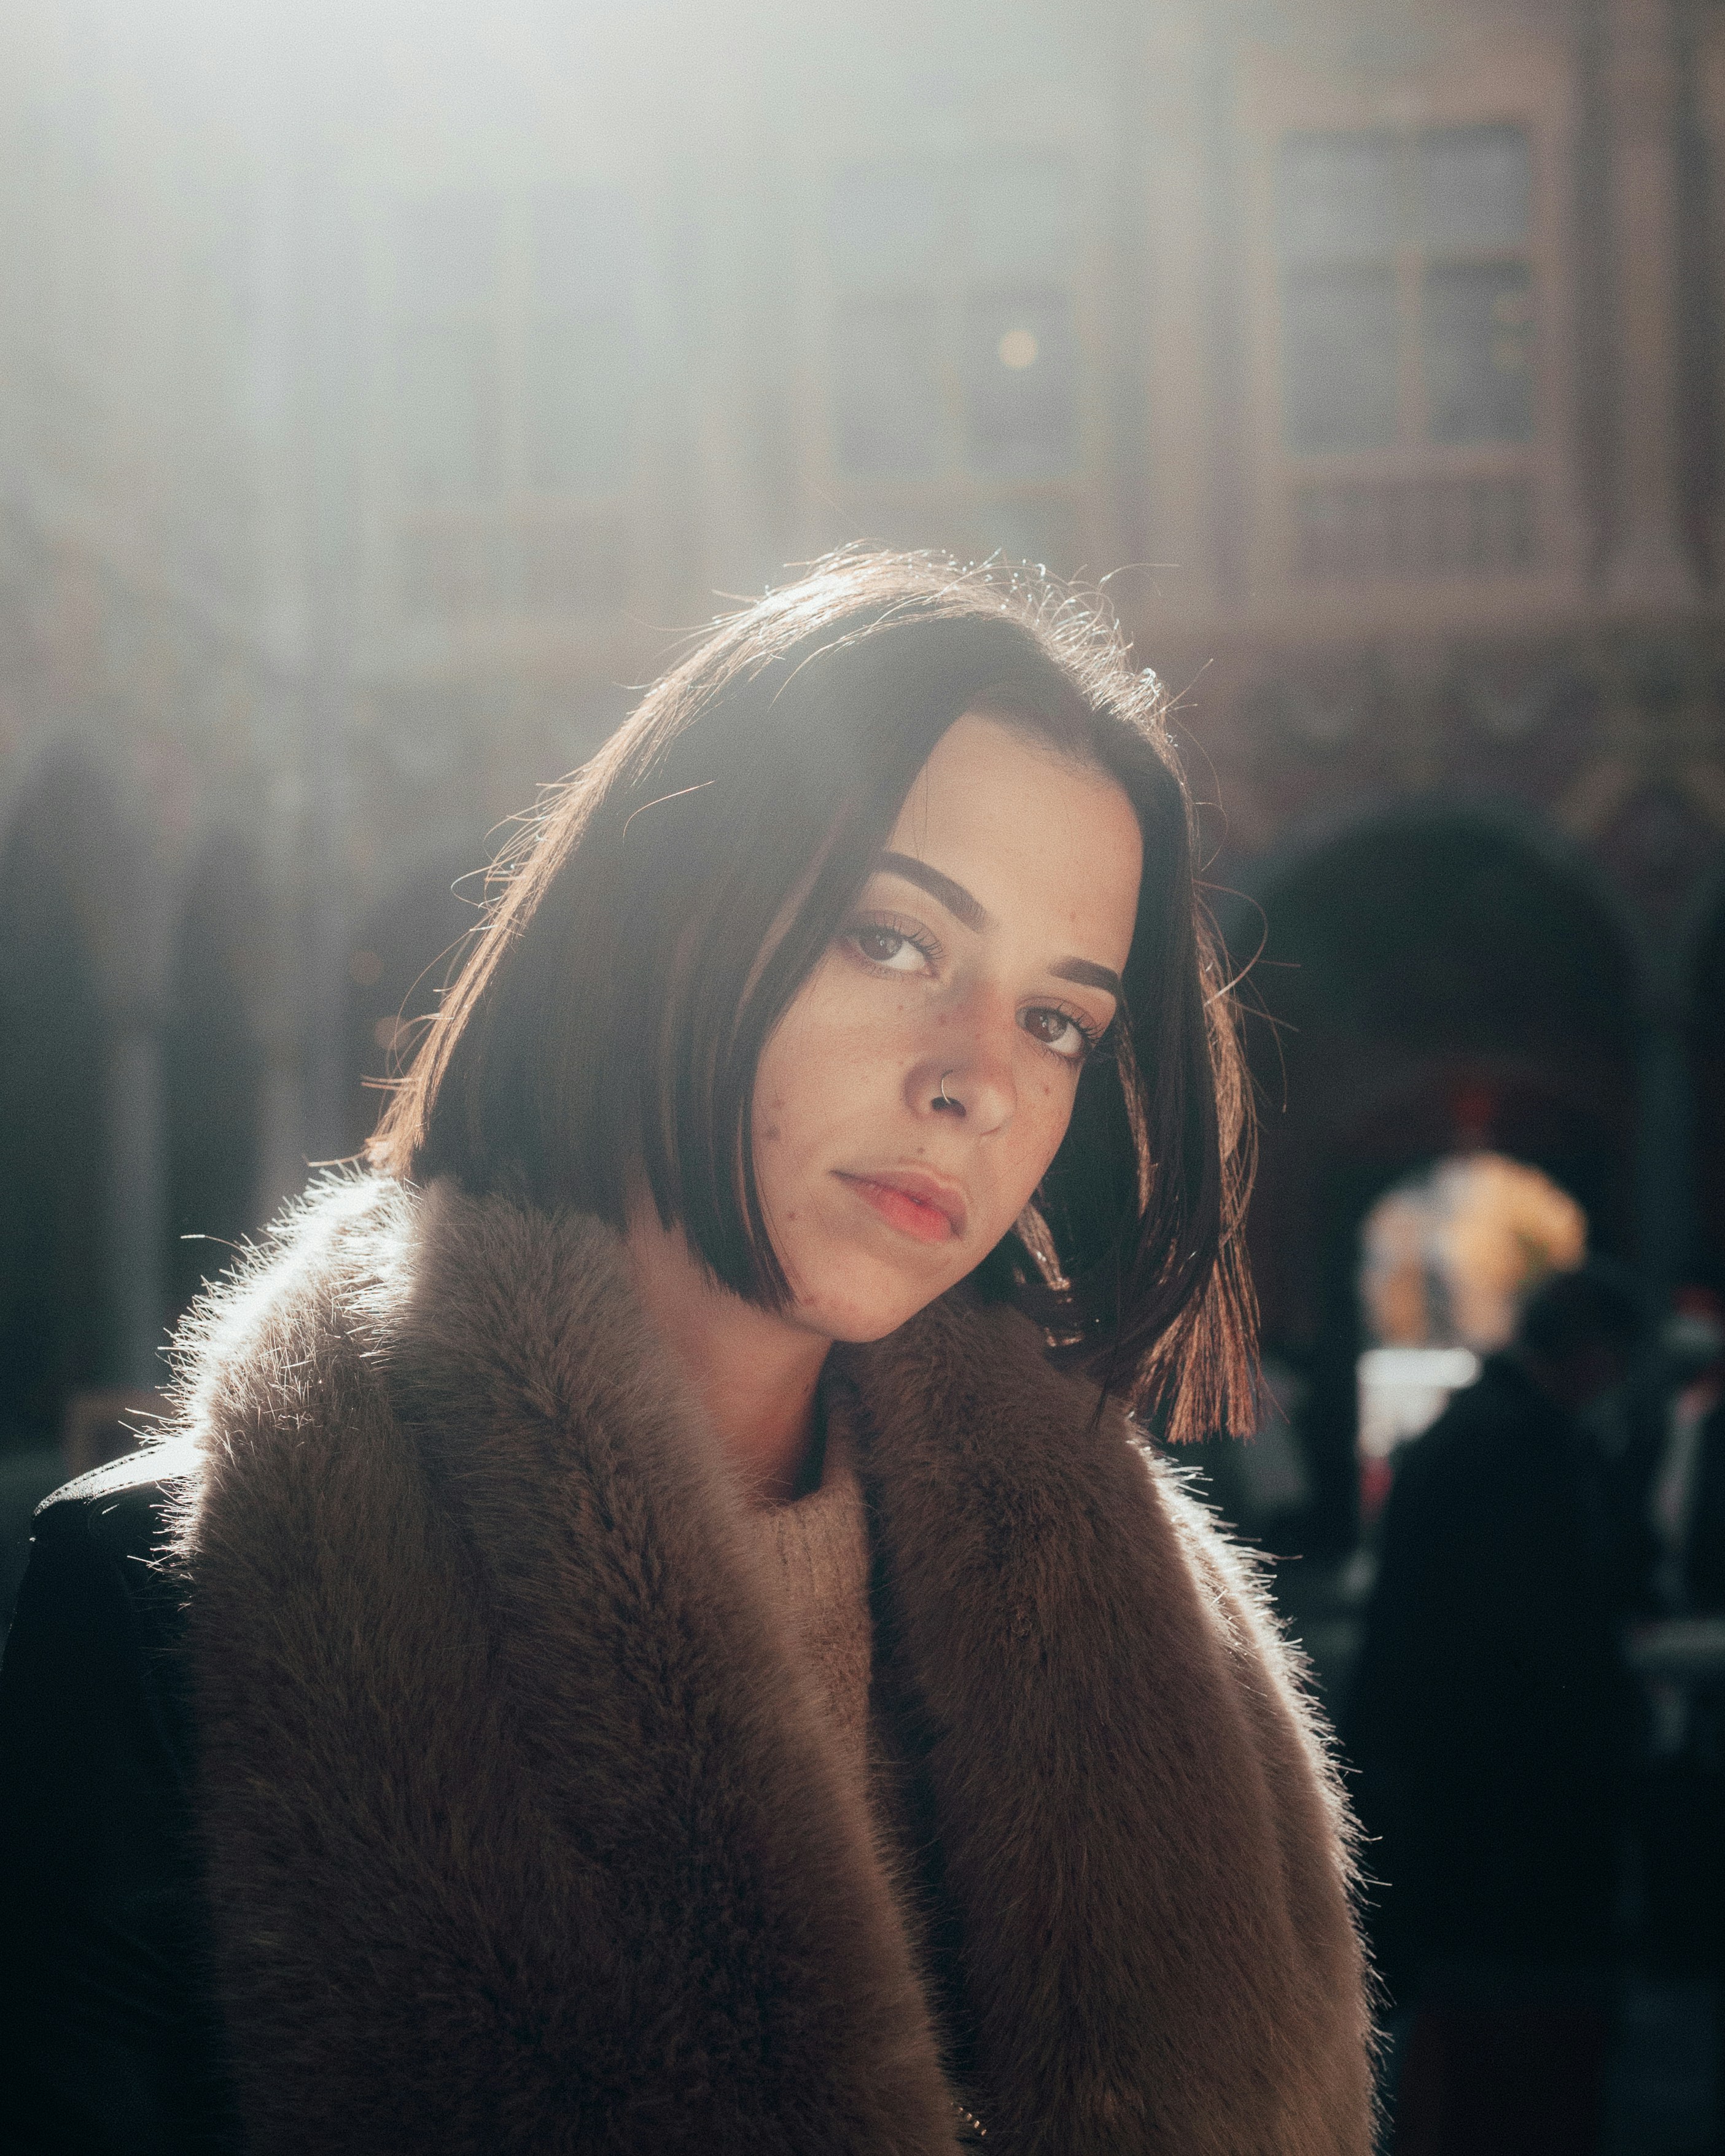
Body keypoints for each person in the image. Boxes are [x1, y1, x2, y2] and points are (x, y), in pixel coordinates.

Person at [0, 552, 1372, 2155]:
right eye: (891, 938)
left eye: (1057, 1021)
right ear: (664, 917)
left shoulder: (1180, 1648)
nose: (981, 1081)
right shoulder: (169, 1603)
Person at [1346, 1259, 1648, 2155]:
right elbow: (1537, 1637)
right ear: (1594, 1355)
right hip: (1506, 1801)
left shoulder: (1476, 1430)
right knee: (1510, 2040)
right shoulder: (1522, 1448)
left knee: (1463, 2027)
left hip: (1451, 1790)